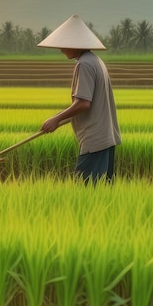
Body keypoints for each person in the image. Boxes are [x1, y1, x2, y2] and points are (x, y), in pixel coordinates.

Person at [38, 15, 121, 184]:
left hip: (94, 140)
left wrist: (56, 118)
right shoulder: (95, 61)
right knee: (100, 193)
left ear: (75, 44)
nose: (61, 49)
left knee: (85, 191)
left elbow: (83, 103)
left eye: (63, 44)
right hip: (104, 138)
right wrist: (58, 122)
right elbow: (84, 104)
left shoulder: (84, 64)